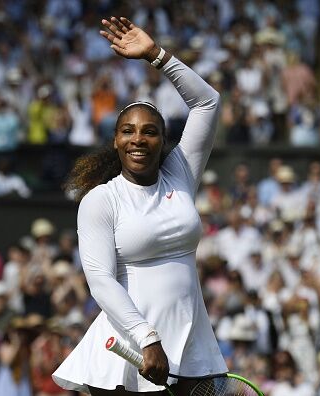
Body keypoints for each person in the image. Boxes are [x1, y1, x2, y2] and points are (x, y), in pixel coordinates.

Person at [52, 17, 227, 396]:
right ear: (114, 140)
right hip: (129, 351)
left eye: (150, 131)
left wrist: (156, 56)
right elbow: (100, 279)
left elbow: (208, 102)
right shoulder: (101, 199)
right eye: (128, 131)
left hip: (191, 347)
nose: (138, 139)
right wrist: (146, 338)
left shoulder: (180, 171)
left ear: (163, 140)